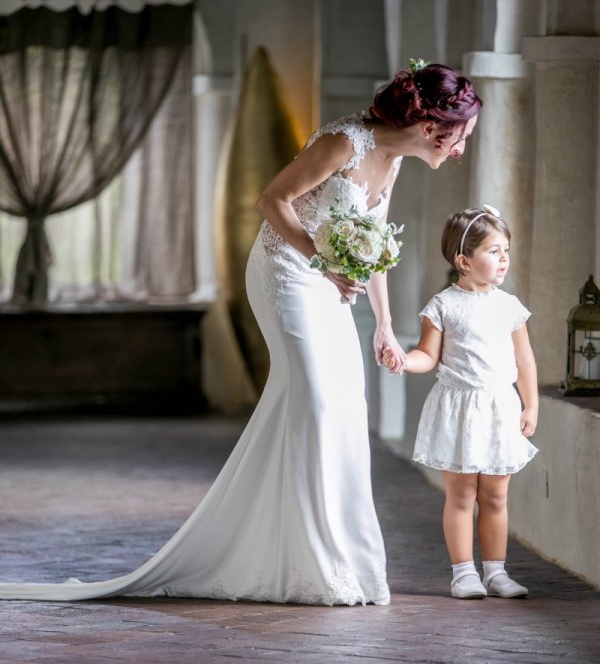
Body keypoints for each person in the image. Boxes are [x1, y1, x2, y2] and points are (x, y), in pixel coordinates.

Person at [0, 63, 482, 605]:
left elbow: (373, 249)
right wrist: (322, 263)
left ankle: (327, 556)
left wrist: (386, 329)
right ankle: (313, 560)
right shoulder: (342, 142)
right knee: (319, 402)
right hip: (285, 273)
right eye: (461, 135)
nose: (461, 148)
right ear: (431, 124)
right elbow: (270, 200)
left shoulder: (392, 163)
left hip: (329, 282)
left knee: (344, 404)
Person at [383, 205, 538, 599]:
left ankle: (496, 571)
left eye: (506, 250)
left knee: (496, 495)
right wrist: (403, 361)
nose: (504, 259)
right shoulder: (443, 306)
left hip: (500, 408)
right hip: (458, 410)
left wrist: (531, 404)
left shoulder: (510, 307)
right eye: (493, 251)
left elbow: (523, 360)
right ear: (463, 260)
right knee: (462, 495)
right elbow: (427, 355)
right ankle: (463, 572)